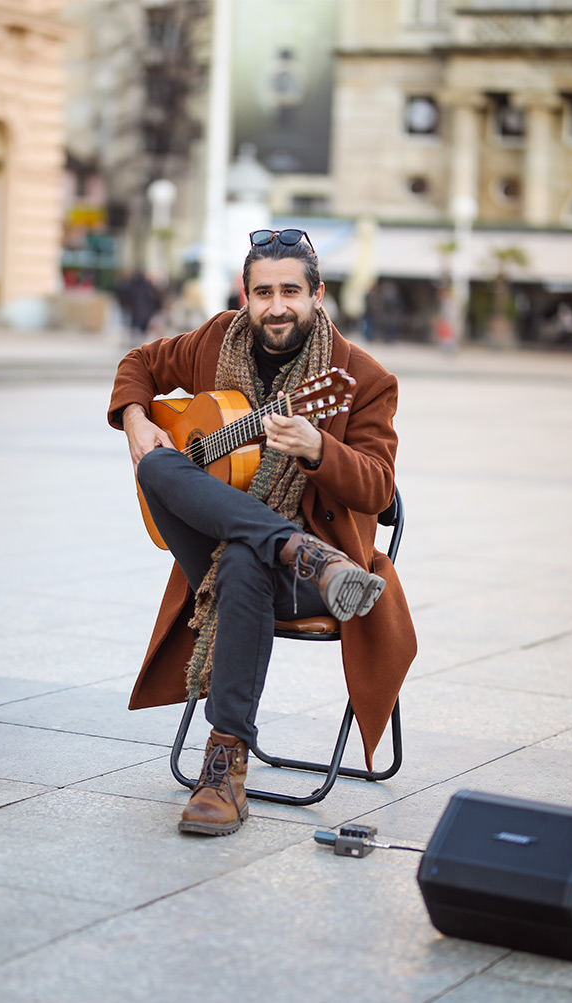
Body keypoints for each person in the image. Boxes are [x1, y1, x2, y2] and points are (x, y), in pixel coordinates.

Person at [108, 228, 417, 837]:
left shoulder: (362, 378)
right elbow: (138, 362)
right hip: (248, 553)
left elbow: (380, 489)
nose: (277, 306)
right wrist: (138, 422)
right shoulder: (213, 342)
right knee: (160, 463)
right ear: (244, 296)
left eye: (291, 292)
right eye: (263, 292)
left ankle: (225, 766)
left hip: (322, 581)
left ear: (318, 295)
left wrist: (319, 449)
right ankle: (289, 545)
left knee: (248, 560)